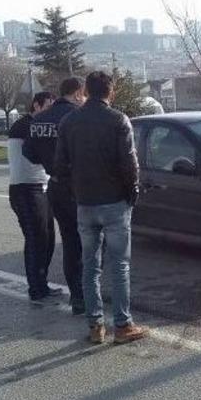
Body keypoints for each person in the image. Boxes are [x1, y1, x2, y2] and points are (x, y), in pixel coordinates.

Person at [55, 71, 146, 344]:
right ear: (110, 91)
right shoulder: (118, 120)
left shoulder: (69, 121)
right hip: (115, 202)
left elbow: (60, 166)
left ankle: (95, 326)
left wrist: (76, 190)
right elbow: (129, 163)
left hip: (85, 202)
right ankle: (122, 324)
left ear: (86, 91)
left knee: (90, 266)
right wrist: (133, 192)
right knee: (119, 265)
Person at [23, 77, 86, 313]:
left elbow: (29, 153)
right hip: (80, 186)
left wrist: (50, 162)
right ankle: (87, 293)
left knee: (70, 242)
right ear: (79, 93)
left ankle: (77, 296)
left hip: (56, 187)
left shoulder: (38, 120)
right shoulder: (77, 117)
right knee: (90, 242)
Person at [8, 91, 64, 303]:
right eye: (47, 107)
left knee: (48, 238)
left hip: (41, 186)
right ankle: (35, 288)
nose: (50, 112)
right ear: (36, 105)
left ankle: (42, 282)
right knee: (35, 239)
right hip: (25, 189)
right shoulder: (25, 126)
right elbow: (36, 152)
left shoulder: (36, 125)